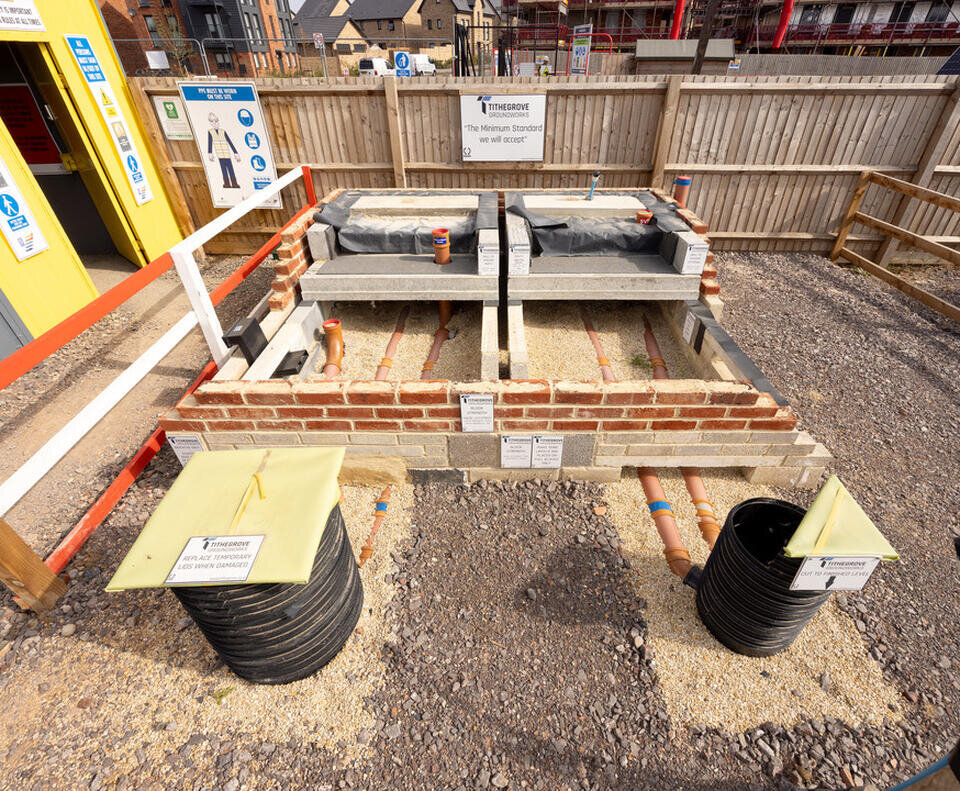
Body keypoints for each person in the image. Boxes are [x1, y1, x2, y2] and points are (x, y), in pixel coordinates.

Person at [206, 112, 241, 189]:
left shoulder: (223, 131)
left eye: (216, 121)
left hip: (227, 154)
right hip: (220, 155)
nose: (215, 123)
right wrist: (210, 153)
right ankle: (227, 184)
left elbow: (229, 141)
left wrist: (235, 152)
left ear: (219, 122)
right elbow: (209, 143)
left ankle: (234, 184)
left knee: (230, 169)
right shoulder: (210, 132)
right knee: (224, 170)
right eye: (212, 122)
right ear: (210, 123)